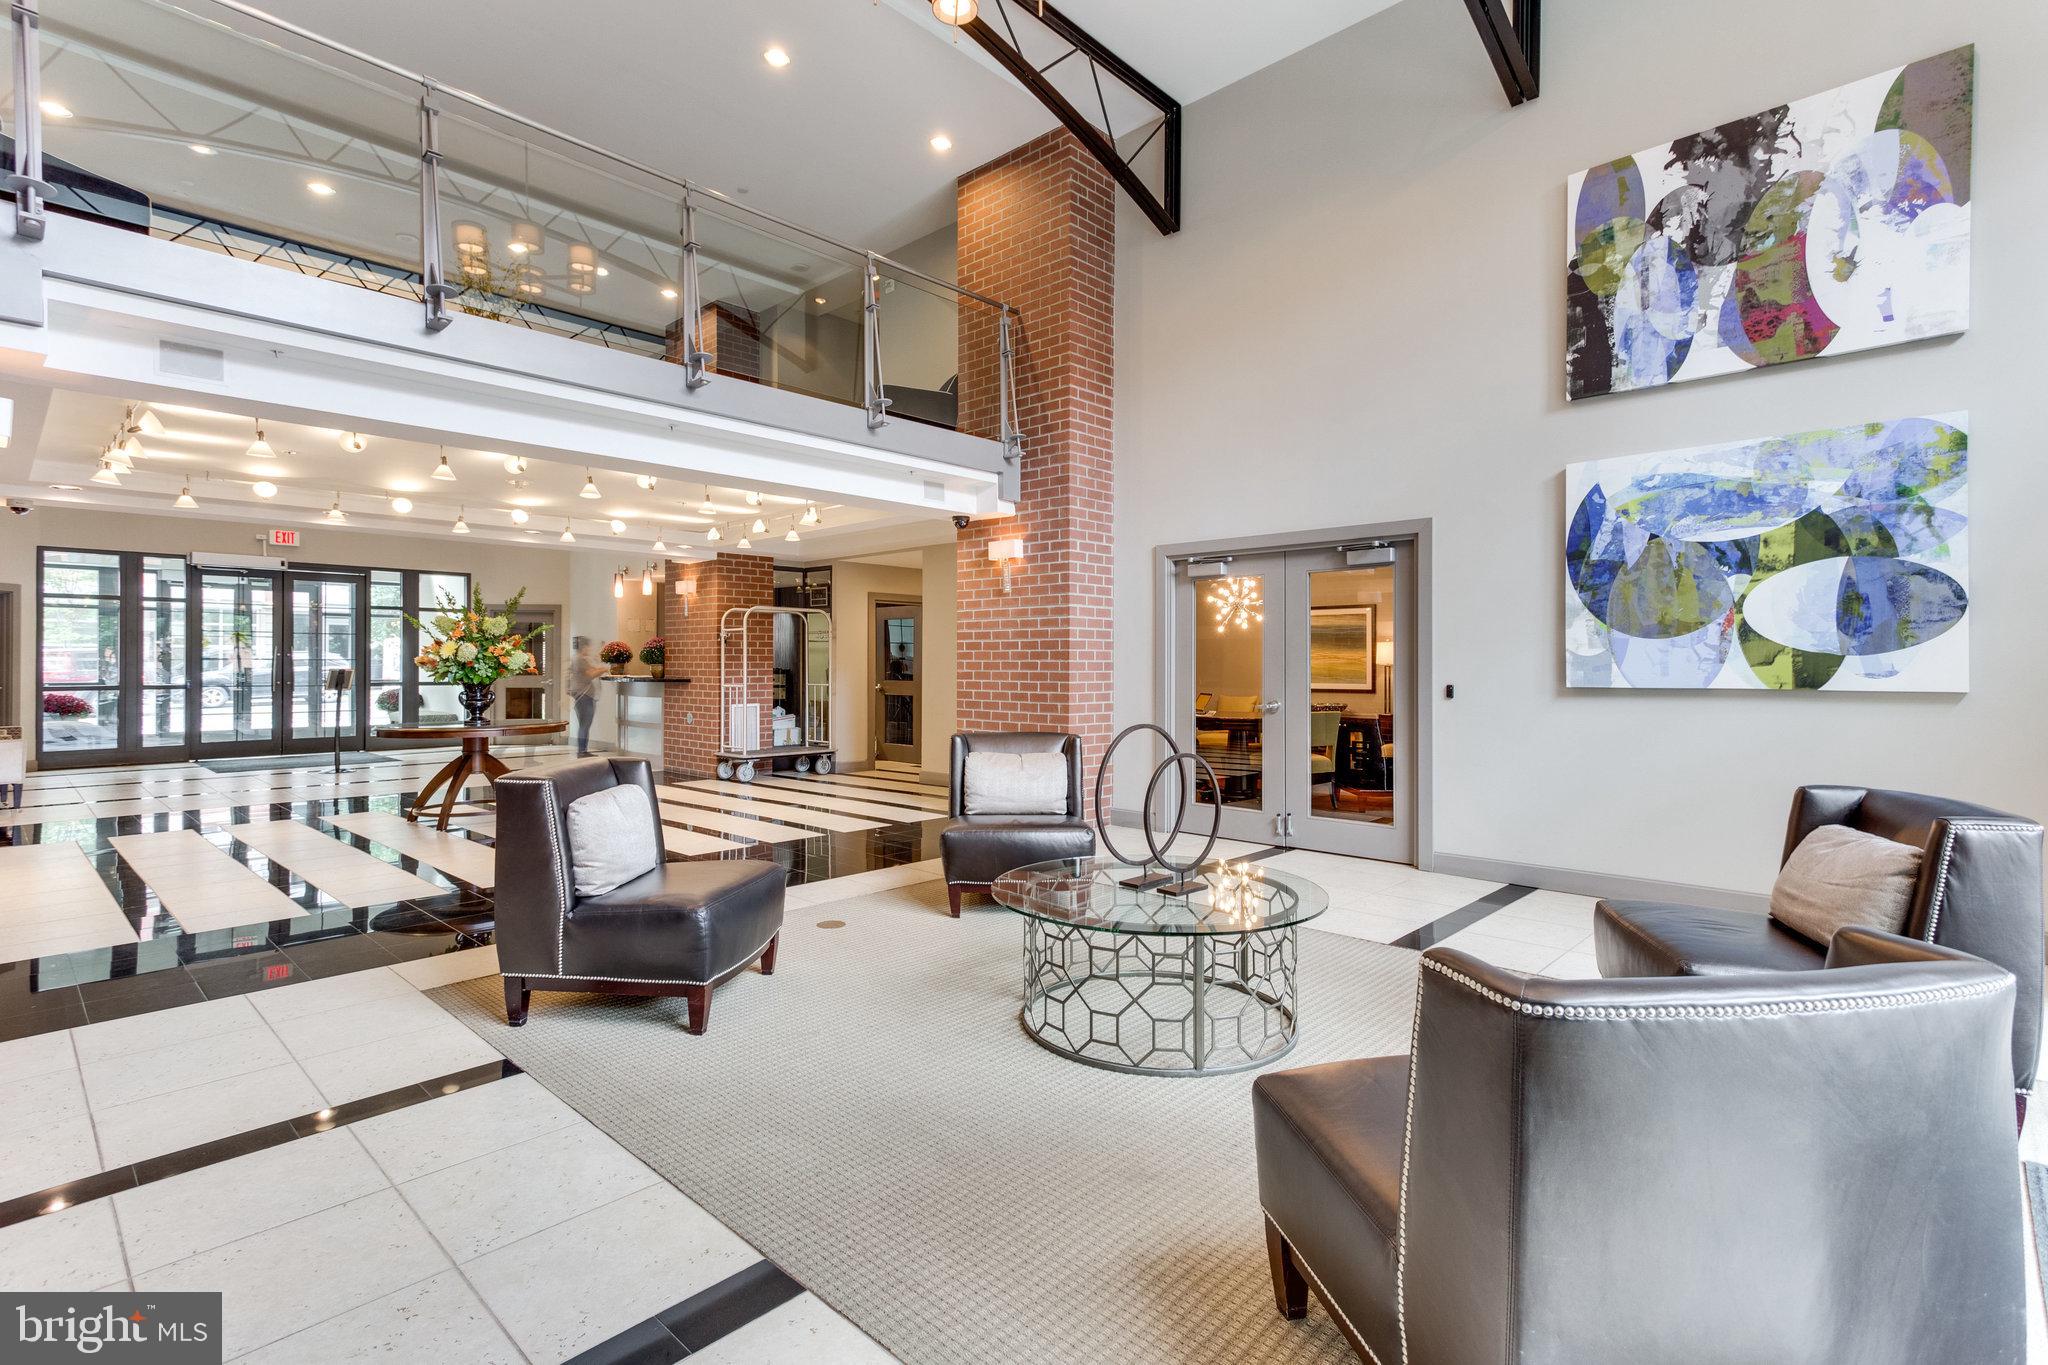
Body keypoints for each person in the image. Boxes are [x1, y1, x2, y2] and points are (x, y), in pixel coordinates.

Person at [568, 636, 603, 757]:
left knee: (584, 724)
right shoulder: (579, 659)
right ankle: (582, 751)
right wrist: (604, 669)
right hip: (584, 696)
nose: (589, 649)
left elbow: (591, 669)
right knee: (585, 724)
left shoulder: (578, 659)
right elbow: (590, 674)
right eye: (588, 646)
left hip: (582, 696)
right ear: (584, 647)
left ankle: (582, 750)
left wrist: (598, 665)